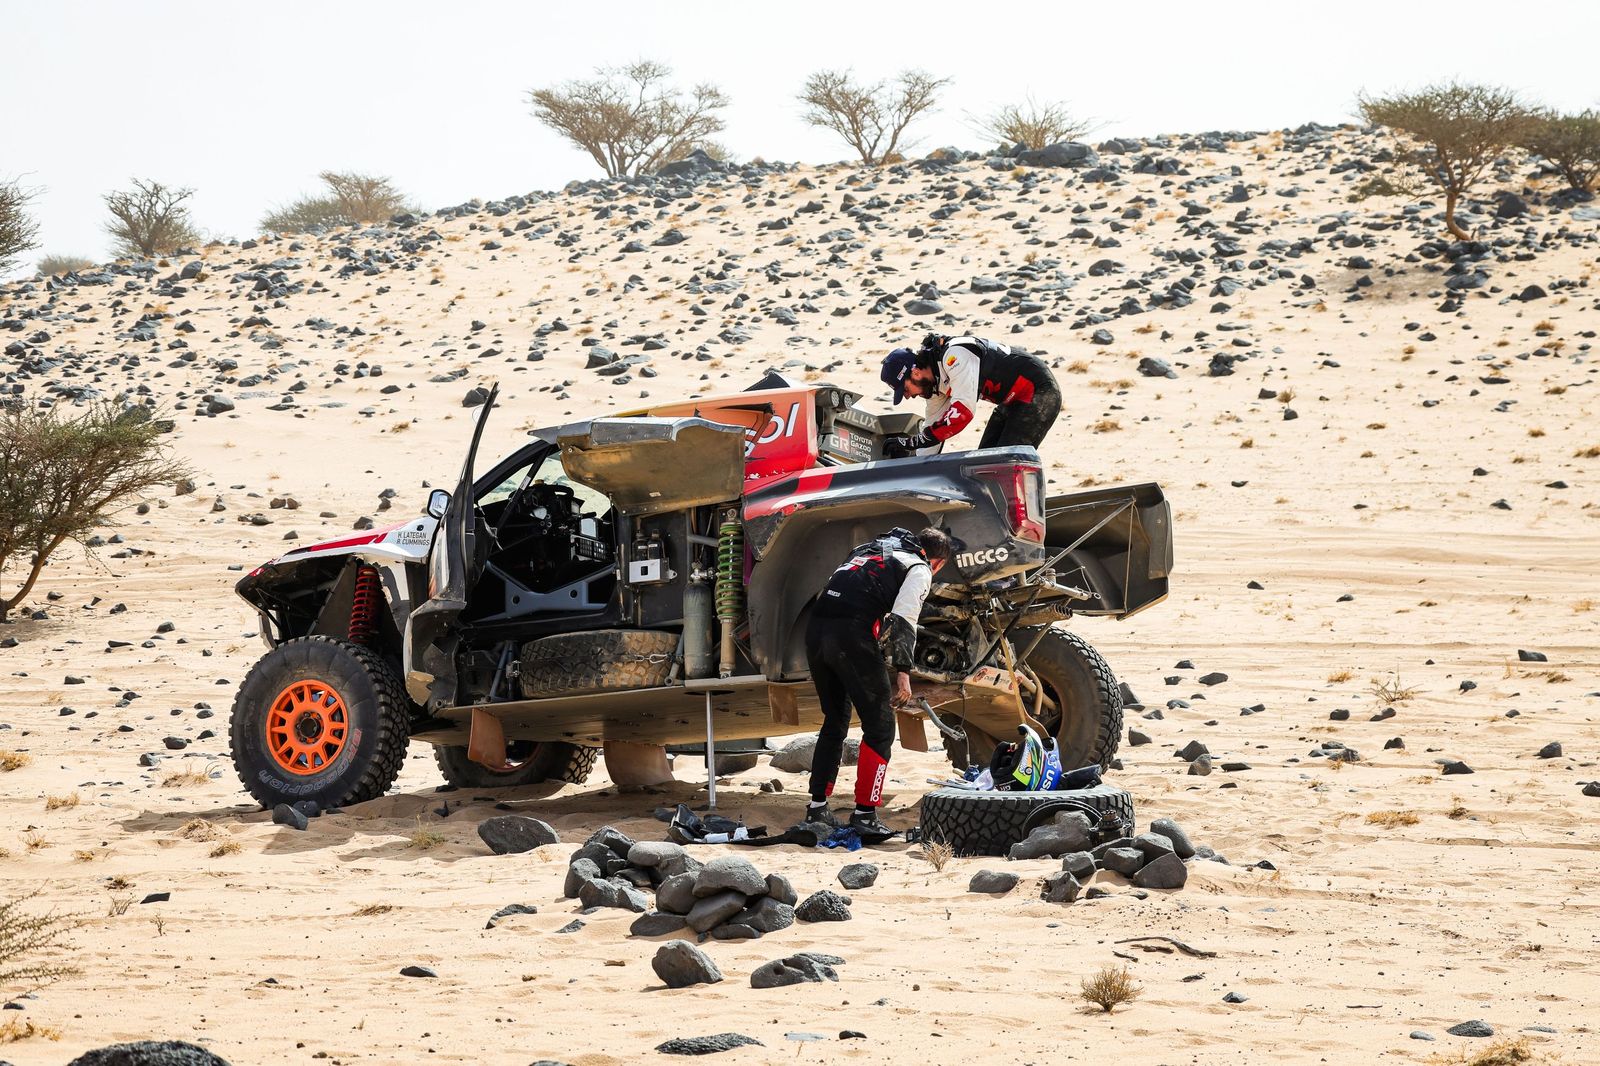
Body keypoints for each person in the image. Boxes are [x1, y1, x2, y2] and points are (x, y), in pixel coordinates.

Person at [804, 525, 954, 836]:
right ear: (937, 562)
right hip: (850, 634)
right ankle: (865, 815)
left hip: (815, 632)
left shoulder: (866, 551)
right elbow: (903, 618)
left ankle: (817, 809)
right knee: (881, 725)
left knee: (835, 719)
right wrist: (903, 673)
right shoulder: (919, 567)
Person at [879, 333, 1062, 456]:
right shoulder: (935, 387)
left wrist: (911, 442)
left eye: (905, 390)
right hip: (1011, 402)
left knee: (1005, 463)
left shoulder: (954, 356)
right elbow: (931, 437)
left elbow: (962, 413)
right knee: (984, 463)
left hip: (1039, 392)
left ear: (915, 373)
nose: (908, 396)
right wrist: (909, 463)